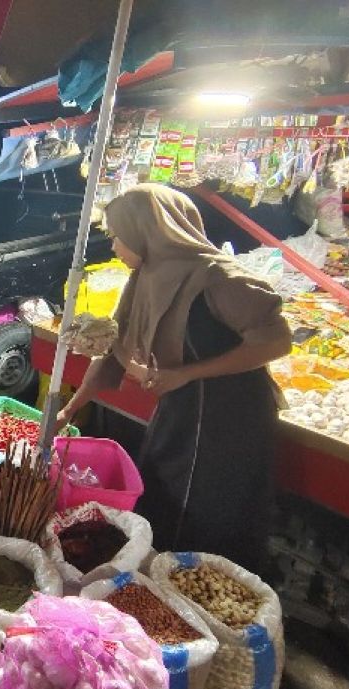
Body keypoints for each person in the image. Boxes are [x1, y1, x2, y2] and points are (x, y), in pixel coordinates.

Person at [55, 184, 291, 573]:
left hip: (229, 415)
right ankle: (162, 578)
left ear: (145, 231)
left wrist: (187, 373)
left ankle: (197, 591)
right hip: (181, 404)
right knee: (163, 486)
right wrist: (68, 410)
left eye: (117, 236)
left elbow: (277, 341)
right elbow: (117, 350)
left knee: (206, 509)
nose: (113, 246)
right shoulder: (145, 276)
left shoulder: (218, 278)